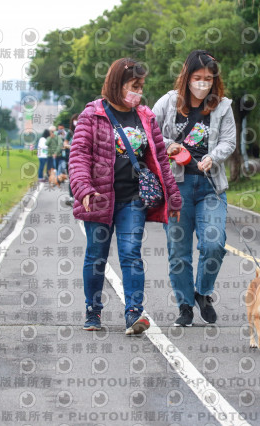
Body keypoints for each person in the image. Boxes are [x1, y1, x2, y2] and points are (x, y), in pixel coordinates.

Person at [70, 58, 182, 335]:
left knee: (131, 253)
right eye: (134, 86)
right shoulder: (92, 115)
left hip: (133, 198)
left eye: (141, 87)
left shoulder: (145, 116)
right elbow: (79, 156)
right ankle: (92, 311)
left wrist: (174, 198)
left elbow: (159, 160)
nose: (139, 92)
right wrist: (83, 188)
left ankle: (134, 313)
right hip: (99, 198)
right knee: (96, 256)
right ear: (117, 84)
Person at [152, 50, 236, 326]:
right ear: (186, 78)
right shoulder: (168, 102)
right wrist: (168, 145)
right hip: (177, 187)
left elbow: (229, 142)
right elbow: (148, 133)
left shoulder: (222, 106)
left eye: (208, 79)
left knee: (214, 244)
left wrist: (214, 157)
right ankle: (185, 306)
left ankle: (203, 292)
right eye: (197, 78)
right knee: (179, 250)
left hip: (210, 185)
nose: (203, 83)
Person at [64, 114, 79, 204]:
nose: (76, 122)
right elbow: (65, 144)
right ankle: (71, 196)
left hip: (83, 158)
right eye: (75, 120)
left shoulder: (85, 131)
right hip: (71, 158)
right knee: (72, 178)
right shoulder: (70, 133)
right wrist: (71, 146)